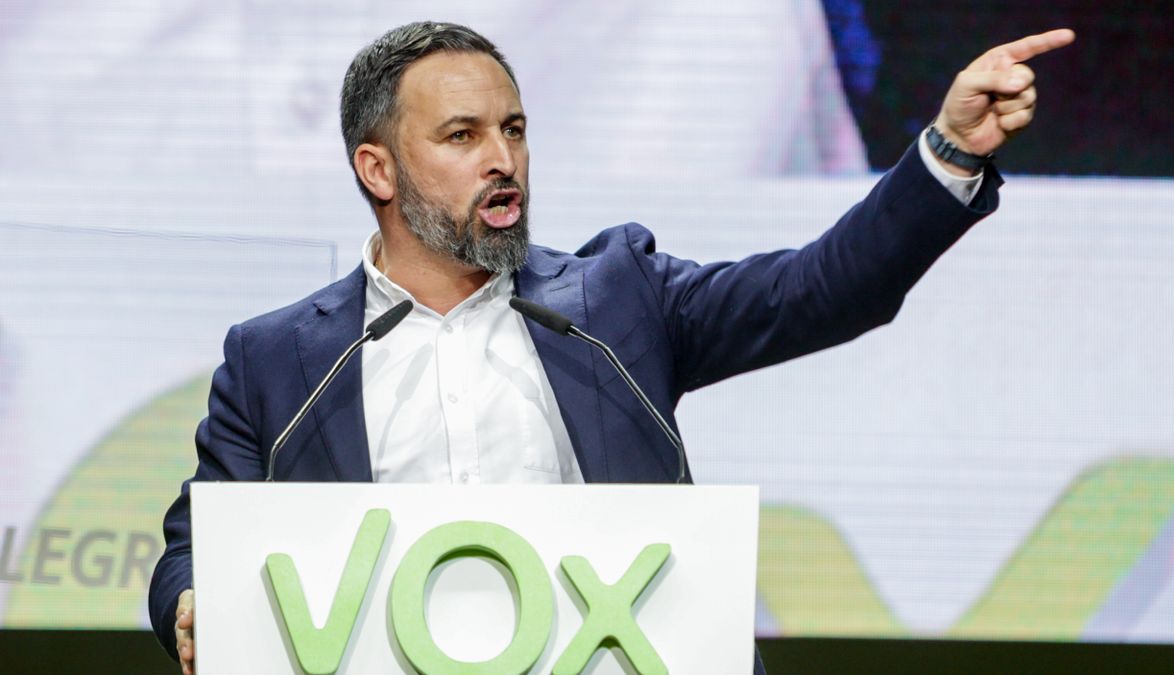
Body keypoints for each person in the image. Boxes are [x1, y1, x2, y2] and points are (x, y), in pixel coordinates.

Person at [149, 20, 1074, 674]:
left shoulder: (617, 299)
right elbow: (193, 547)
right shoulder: (281, 359)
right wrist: (191, 603)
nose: (502, 159)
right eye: (463, 136)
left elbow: (823, 289)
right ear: (377, 169)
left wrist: (950, 151)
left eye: (513, 130)